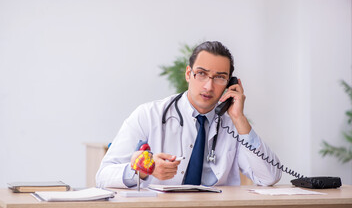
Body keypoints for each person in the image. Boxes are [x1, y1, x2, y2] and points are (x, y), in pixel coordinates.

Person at [96, 41, 282, 188]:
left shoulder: (233, 124)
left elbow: (269, 177)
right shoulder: (148, 115)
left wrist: (240, 119)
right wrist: (145, 170)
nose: (209, 86)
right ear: (188, 73)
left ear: (229, 83)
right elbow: (103, 176)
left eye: (219, 77)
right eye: (201, 73)